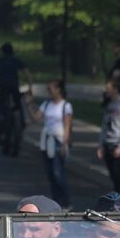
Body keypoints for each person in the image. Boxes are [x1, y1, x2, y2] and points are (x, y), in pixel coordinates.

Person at [28, 79, 72, 208]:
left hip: (58, 141)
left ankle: (66, 202)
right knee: (51, 174)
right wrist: (30, 104)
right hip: (47, 141)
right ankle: (56, 202)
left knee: (59, 174)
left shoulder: (65, 105)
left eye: (51, 88)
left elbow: (67, 126)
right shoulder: (46, 104)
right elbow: (36, 118)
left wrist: (65, 144)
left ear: (58, 89)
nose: (49, 91)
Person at [0, 42, 30, 156]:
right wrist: (30, 86)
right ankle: (21, 121)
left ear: (2, 51)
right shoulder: (16, 60)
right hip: (14, 87)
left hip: (3, 88)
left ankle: (1, 129)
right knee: (18, 105)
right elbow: (27, 74)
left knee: (2, 109)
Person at [97, 76, 120, 198]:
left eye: (108, 88)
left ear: (116, 89)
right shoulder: (110, 106)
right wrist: (101, 145)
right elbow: (104, 126)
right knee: (113, 176)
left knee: (119, 176)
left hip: (118, 146)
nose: (106, 91)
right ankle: (117, 203)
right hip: (108, 144)